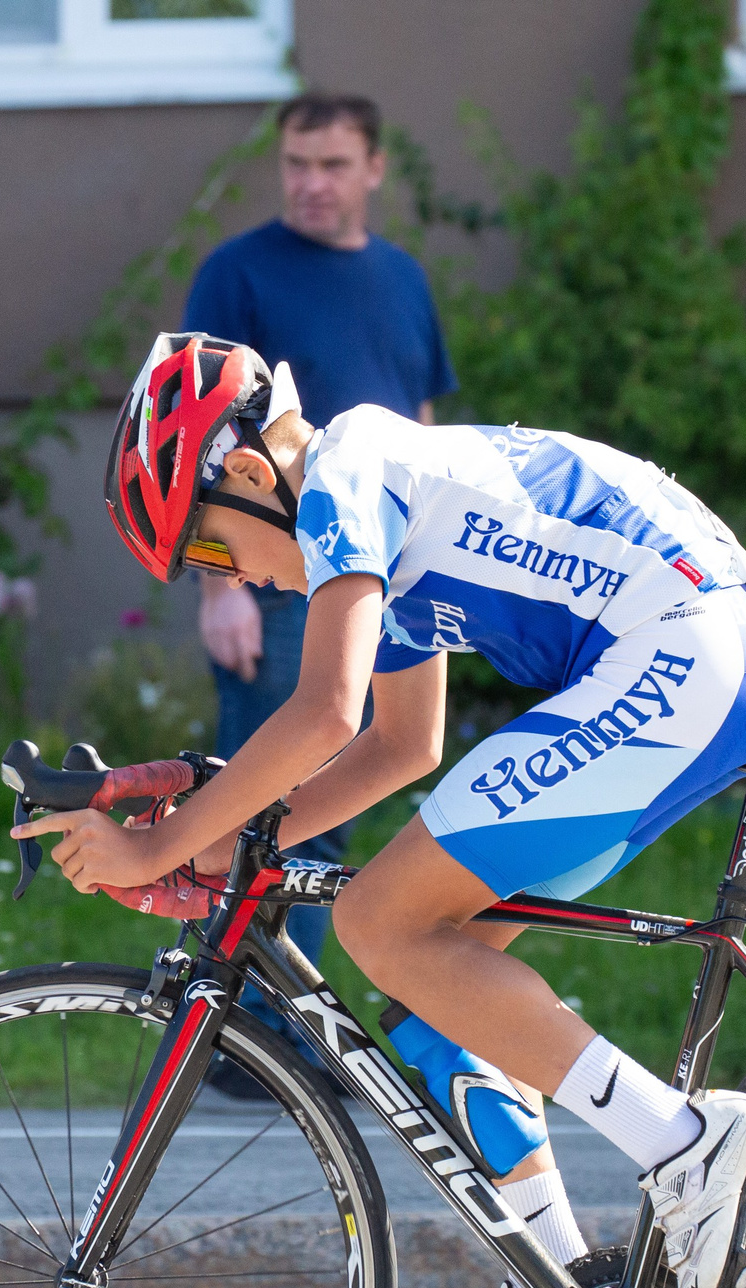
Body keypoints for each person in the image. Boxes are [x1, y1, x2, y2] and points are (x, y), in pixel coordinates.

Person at [24, 333, 746, 1288]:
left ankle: (686, 1145)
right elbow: (397, 744)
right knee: (438, 991)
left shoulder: (345, 475)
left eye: (207, 547)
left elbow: (322, 713)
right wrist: (221, 840)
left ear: (246, 471)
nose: (229, 577)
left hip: (681, 652)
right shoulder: (379, 506)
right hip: (687, 658)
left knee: (378, 922)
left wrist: (159, 847)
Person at [180, 93, 455, 1096]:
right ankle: (243, 1036)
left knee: (336, 808)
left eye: (332, 164)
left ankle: (292, 1028)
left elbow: (421, 421)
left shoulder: (401, 279)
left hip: (383, 571)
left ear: (373, 169)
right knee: (263, 798)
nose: (311, 182)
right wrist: (218, 587)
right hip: (275, 572)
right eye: (296, 162)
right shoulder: (240, 271)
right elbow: (205, 452)